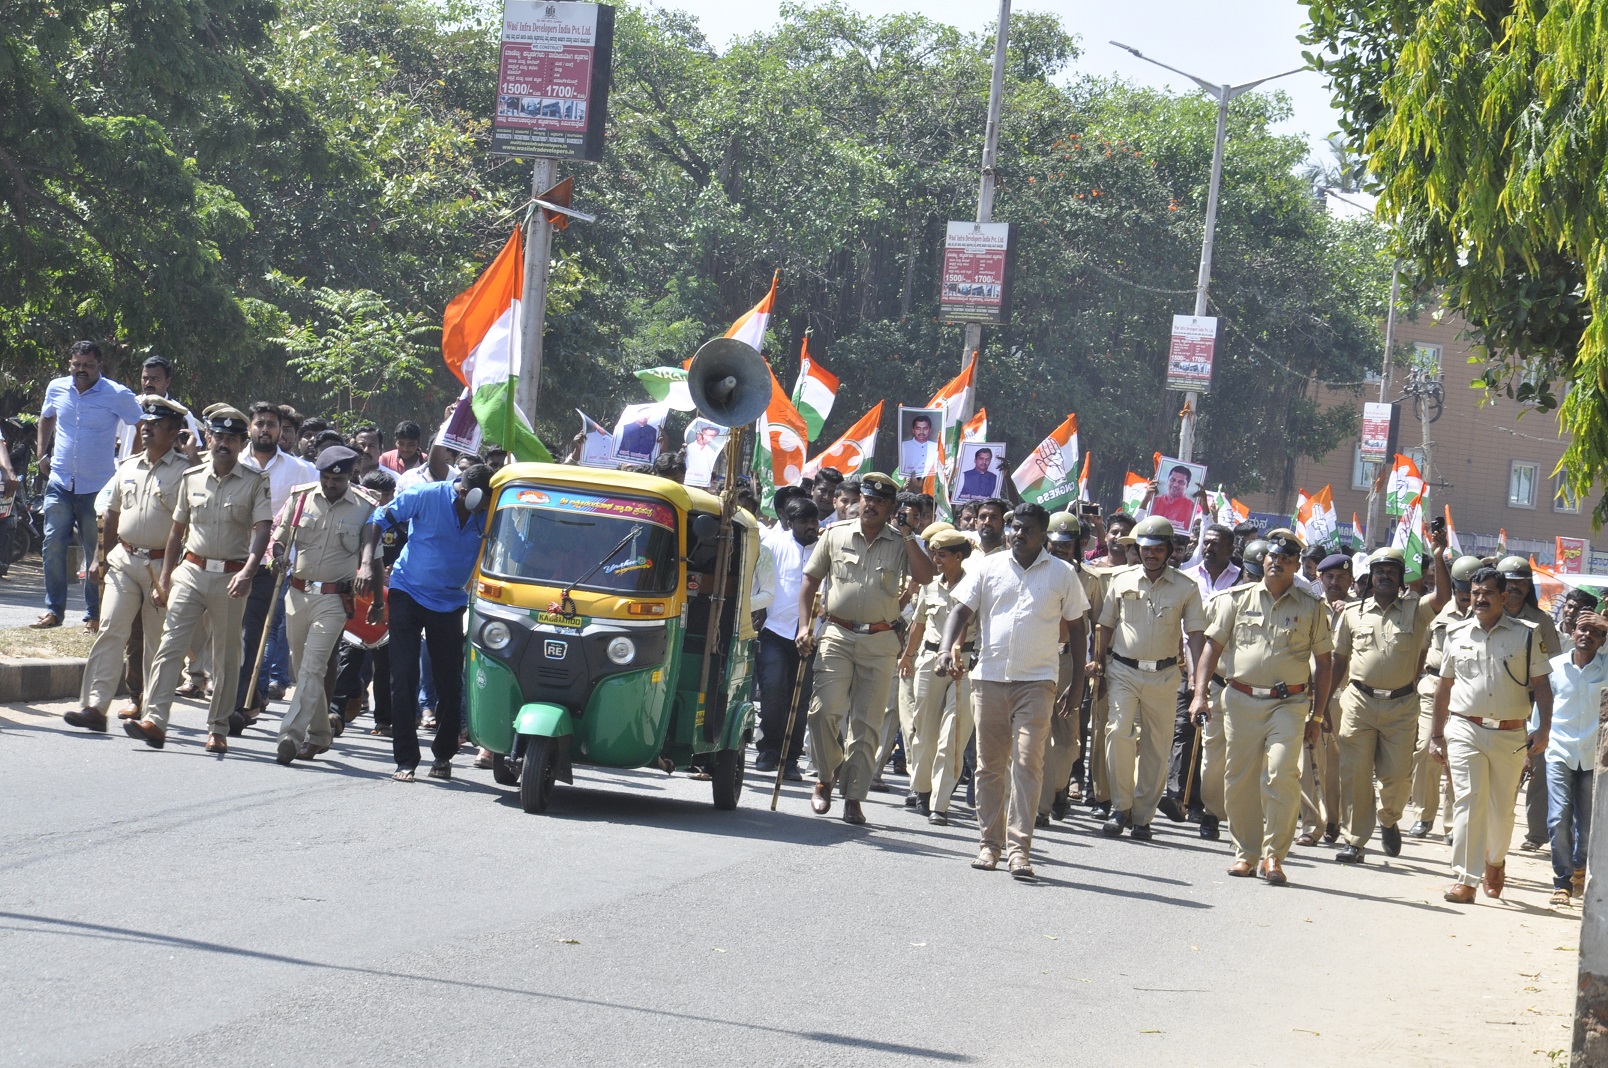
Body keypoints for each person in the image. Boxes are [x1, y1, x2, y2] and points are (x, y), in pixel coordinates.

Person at [938, 503, 1090, 881]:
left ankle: (1019, 850)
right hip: (989, 678)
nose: (1017, 534)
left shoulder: (1063, 573)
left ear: (1043, 535)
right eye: (1014, 527)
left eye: (1026, 529)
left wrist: (1078, 686)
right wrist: (945, 648)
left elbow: (1078, 629)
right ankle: (989, 845)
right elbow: (960, 610)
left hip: (1037, 682)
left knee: (1027, 762)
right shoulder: (989, 567)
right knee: (989, 766)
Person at [123, 407, 272, 752]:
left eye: (232, 439)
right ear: (209, 438)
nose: (224, 444)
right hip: (191, 570)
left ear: (240, 444)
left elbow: (263, 529)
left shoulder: (254, 481)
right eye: (218, 437)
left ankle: (218, 726)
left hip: (232, 576)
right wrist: (167, 576)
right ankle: (155, 720)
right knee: (170, 644)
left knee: (225, 655)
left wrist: (249, 571)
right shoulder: (191, 478)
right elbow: (176, 531)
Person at [1190, 528, 1333, 887]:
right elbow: (1211, 649)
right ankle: (1245, 854)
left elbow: (1325, 662)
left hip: (1289, 703)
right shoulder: (1234, 600)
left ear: (1297, 566)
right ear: (1263, 560)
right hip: (1239, 700)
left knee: (1282, 772)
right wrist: (1199, 694)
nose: (1277, 563)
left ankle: (1274, 856)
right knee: (1238, 779)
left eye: (1286, 559)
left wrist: (1318, 714)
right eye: (1272, 557)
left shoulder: (1312, 607)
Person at [799, 472, 934, 825]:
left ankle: (854, 797)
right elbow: (811, 581)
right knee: (822, 711)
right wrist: (804, 626)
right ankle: (827, 775)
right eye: (866, 498)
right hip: (837, 635)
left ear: (891, 508)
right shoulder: (835, 535)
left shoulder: (902, 542)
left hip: (880, 641)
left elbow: (925, 577)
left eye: (879, 500)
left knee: (866, 724)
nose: (870, 504)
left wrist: (907, 537)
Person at [357, 462, 494, 782]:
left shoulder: (490, 510)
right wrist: (366, 562)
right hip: (408, 592)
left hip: (450, 603)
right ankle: (405, 759)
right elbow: (378, 519)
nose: (480, 510)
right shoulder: (425, 495)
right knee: (402, 676)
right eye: (477, 503)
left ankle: (443, 754)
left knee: (450, 682)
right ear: (462, 491)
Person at [64, 397, 192, 732]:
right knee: (110, 629)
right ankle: (94, 706)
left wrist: (175, 572)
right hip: (124, 559)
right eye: (145, 422)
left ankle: (152, 714)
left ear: (175, 430)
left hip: (162, 566)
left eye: (156, 423)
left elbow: (193, 525)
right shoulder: (129, 466)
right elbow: (111, 514)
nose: (146, 428)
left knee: (155, 641)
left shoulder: (187, 473)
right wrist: (98, 559)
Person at [1429, 567, 1553, 904]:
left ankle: (1495, 861)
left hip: (1511, 735)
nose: (1480, 599)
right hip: (1465, 728)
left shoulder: (1526, 634)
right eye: (1476, 592)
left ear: (1504, 597)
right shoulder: (1456, 634)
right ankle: (1466, 879)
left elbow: (1542, 685)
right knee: (1470, 801)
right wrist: (1436, 735)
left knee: (1501, 810)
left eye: (1488, 593)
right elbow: (1444, 688)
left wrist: (1543, 729)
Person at [1329, 540, 1451, 863]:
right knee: (1354, 772)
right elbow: (1339, 660)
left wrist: (1438, 556)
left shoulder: (1416, 610)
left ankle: (1389, 818)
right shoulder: (1353, 612)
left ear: (1400, 578)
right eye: (1379, 571)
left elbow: (1443, 598)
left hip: (1401, 706)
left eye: (1391, 572)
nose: (1385, 576)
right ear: (1370, 577)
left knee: (1396, 776)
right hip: (1359, 702)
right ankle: (1354, 841)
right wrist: (1324, 703)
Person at [1088, 515, 1206, 840]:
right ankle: (1120, 807)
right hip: (1123, 670)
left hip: (1166, 676)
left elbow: (1196, 634)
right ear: (1137, 550)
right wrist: (1097, 663)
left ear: (1170, 550)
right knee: (1118, 733)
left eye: (1157, 549)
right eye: (1144, 548)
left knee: (1158, 745)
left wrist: (1197, 680)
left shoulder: (1186, 587)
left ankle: (1142, 817)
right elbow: (1105, 625)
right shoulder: (1121, 579)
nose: (1150, 554)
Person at [271, 446, 372, 764]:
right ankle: (320, 733)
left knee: (314, 666)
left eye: (337, 479)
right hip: (297, 594)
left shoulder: (365, 507)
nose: (330, 484)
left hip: (333, 599)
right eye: (326, 477)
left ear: (349, 477)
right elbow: (281, 536)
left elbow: (371, 553)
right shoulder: (300, 498)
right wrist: (276, 555)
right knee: (303, 670)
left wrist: (368, 569)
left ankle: (290, 734)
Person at [35, 341, 145, 630]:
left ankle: (93, 615)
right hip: (59, 481)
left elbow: (141, 424)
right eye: (76, 364)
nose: (81, 370)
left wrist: (132, 462)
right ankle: (53, 611)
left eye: (88, 365)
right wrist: (40, 454)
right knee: (52, 545)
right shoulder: (56, 387)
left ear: (100, 366)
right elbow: (46, 418)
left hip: (97, 487)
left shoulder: (117, 394)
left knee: (95, 552)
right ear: (70, 364)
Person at [233, 402, 317, 727]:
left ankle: (238, 705)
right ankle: (251, 697)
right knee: (233, 635)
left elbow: (314, 505)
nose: (266, 429)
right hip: (233, 560)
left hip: (273, 566)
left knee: (252, 633)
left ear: (280, 430)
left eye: (272, 424)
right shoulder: (235, 464)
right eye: (260, 423)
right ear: (250, 428)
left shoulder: (300, 470)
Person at [899, 525, 978, 821]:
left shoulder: (975, 586)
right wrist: (908, 656)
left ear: (958, 556)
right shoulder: (929, 587)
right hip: (929, 659)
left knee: (954, 735)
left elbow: (968, 625)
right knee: (925, 729)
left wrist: (959, 653)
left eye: (942, 555)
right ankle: (920, 789)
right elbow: (918, 624)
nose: (936, 560)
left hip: (964, 663)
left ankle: (939, 802)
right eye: (934, 554)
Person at [1166, 522, 1242, 822]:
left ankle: (1204, 801)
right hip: (1188, 664)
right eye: (1206, 543)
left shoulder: (1241, 580)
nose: (1209, 548)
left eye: (1216, 544)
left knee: (1215, 738)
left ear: (1230, 549)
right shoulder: (1187, 578)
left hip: (1226, 670)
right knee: (1184, 729)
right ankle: (1177, 796)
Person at [1495, 555, 1566, 854]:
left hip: (1531, 703)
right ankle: (1495, 829)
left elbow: (1553, 666)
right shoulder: (1486, 615)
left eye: (1521, 582)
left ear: (1528, 587)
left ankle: (1536, 833)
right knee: (1498, 770)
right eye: (1509, 582)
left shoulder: (1542, 621)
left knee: (1534, 769)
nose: (1515, 588)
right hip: (1494, 702)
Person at [1037, 511, 1103, 824]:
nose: (1061, 548)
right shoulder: (1035, 571)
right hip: (1035, 657)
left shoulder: (1091, 580)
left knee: (1066, 741)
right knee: (1033, 733)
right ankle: (1040, 803)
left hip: (1068, 661)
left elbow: (1100, 625)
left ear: (1079, 544)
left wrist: (1095, 662)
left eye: (1068, 543)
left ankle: (1059, 785)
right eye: (1056, 541)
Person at [1409, 555, 1480, 839]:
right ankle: (1423, 816)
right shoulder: (1438, 611)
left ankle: (1451, 825)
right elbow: (1420, 650)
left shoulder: (1486, 614)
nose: (1466, 593)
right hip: (1433, 685)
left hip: (1465, 691)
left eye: (1471, 587)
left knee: (1458, 757)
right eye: (1461, 586)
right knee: (1426, 748)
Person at [1542, 614, 1608, 905]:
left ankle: (1580, 867)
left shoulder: (1606, 668)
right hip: (1558, 751)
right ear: (1572, 631)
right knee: (1558, 819)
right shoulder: (1554, 667)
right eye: (1583, 629)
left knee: (1588, 824)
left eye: (1596, 632)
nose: (1588, 635)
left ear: (1603, 640)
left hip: (1594, 755)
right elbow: (1543, 710)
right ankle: (1563, 881)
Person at [754, 497, 819, 779]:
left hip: (811, 636)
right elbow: (759, 583)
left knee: (800, 699)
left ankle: (790, 759)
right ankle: (769, 749)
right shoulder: (773, 545)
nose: (810, 527)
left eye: (813, 521)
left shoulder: (824, 550)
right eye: (804, 521)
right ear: (790, 522)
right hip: (776, 631)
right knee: (773, 690)